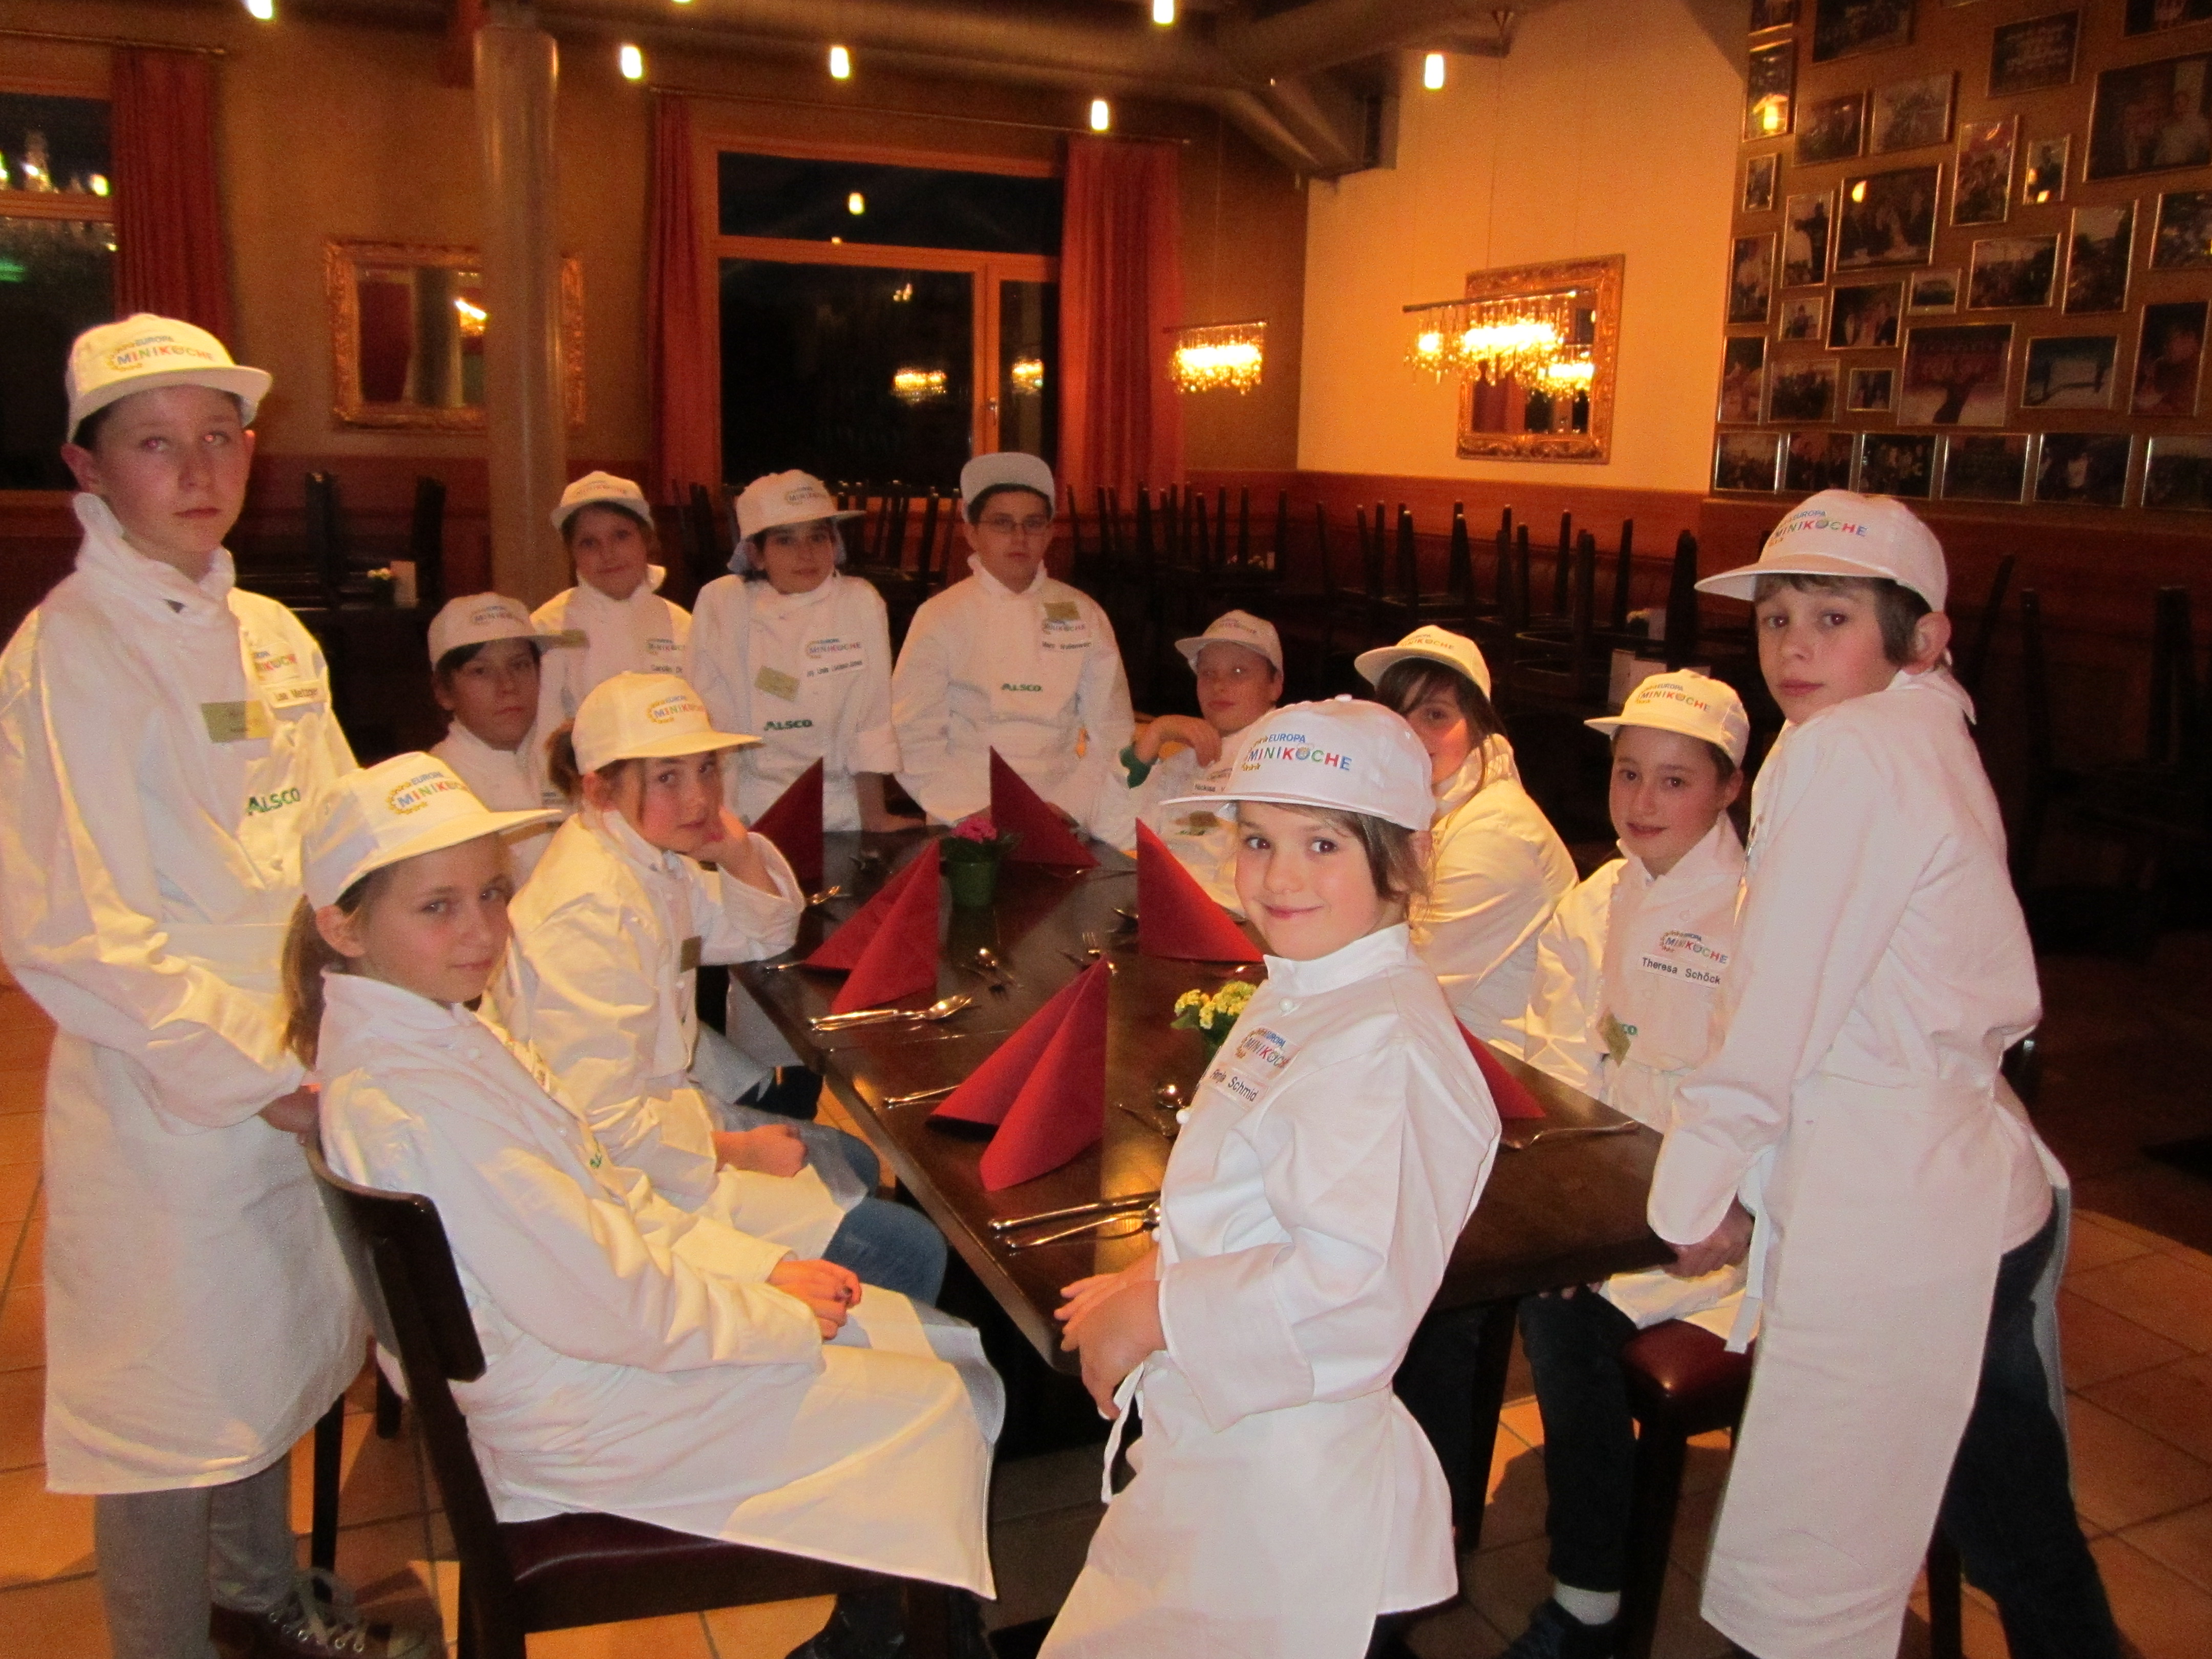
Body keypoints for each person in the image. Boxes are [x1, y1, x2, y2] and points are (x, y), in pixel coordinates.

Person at [295, 756, 998, 1659]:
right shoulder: (420, 1100)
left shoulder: (434, 1035)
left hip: (583, 1354)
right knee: (938, 1397)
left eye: (492, 894)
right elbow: (610, 1301)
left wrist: (761, 1270)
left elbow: (606, 1198)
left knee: (914, 1345)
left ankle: (880, 1629)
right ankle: (893, 1640)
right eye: (438, 907)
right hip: (580, 1413)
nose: (483, 931)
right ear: (342, 926)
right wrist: (771, 1314)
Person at [0, 315, 413, 1659]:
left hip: (299, 1055)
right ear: (89, 467)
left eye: (220, 437)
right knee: (164, 1415)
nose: (197, 469)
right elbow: (72, 931)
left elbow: (341, 832)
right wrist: (263, 1074)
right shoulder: (68, 654)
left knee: (267, 1365)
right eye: (155, 443)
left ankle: (258, 1602)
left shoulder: (272, 635)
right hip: (167, 1091)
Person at [1648, 492, 2117, 1659]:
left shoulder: (1851, 751)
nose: (1794, 646)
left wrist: (1695, 1185)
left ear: (1923, 636)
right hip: (1966, 1195)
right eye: (1776, 618)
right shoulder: (1918, 728)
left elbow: (1779, 1002)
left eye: (1833, 616)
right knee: (2010, 1512)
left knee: (1819, 1559)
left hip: (1899, 1214)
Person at [1044, 697, 1502, 1658]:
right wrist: (1149, 1276)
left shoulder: (1381, 1044)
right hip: (1228, 1452)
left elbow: (1351, 1285)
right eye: (1258, 840)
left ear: (1406, 859)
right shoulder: (1308, 983)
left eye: (1323, 845)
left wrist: (1157, 1313)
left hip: (1288, 1494)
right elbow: (1255, 1200)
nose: (1281, 877)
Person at [496, 672, 948, 1302]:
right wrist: (737, 1151)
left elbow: (762, 932)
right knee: (912, 1249)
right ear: (600, 789)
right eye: (668, 777)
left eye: (707, 770)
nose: (699, 799)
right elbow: (596, 1130)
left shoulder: (647, 860)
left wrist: (737, 853)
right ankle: (822, 1340)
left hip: (668, 1125)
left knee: (858, 1162)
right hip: (620, 1191)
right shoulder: (589, 911)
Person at [1491, 671, 1753, 1659]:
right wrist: (1572, 1207)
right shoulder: (1595, 899)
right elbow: (1560, 1065)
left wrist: (1691, 1210)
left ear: (1730, 789)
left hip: (1721, 1219)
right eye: (1628, 773)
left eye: (1674, 781)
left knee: (1562, 1319)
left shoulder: (1758, 916)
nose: (1642, 801)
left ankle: (1589, 1602)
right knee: (1494, 1266)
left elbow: (1756, 1101)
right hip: (1610, 1183)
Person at [892, 453, 1134, 847]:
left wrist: (1065, 806)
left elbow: (1113, 731)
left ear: (1050, 533)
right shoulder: (940, 616)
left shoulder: (1084, 613)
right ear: (972, 533)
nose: (1019, 537)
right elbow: (911, 733)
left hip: (1061, 809)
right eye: (1002, 523)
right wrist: (972, 812)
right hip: (964, 814)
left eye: (1033, 524)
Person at [1358, 626, 1576, 1047]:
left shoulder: (1496, 832)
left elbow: (1410, 985)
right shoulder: (1416, 804)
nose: (1410, 734)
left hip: (1497, 1064)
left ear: (1477, 725)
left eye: (1435, 715)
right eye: (1396, 715)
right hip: (1430, 1042)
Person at [688, 470, 918, 832]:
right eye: (785, 541)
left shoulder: (859, 601)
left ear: (835, 544)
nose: (806, 553)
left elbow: (872, 715)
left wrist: (874, 816)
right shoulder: (724, 603)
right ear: (756, 554)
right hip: (753, 808)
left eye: (817, 537)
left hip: (841, 808)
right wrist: (720, 821)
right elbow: (716, 721)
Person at [1121, 609, 1283, 911]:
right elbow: (1117, 835)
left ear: (1275, 684)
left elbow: (1246, 889)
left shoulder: (1284, 759)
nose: (1219, 685)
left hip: (1215, 917)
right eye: (1208, 673)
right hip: (1157, 902)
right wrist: (1156, 735)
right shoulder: (1184, 759)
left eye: (1239, 672)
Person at [534, 471, 690, 732]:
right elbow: (544, 733)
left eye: (621, 536)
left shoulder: (682, 625)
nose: (608, 554)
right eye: (589, 543)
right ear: (572, 553)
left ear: (646, 539)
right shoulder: (547, 629)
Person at [426, 592, 565, 882]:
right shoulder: (438, 789)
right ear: (443, 691)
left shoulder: (561, 768)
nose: (508, 686)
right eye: (481, 671)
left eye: (520, 665)